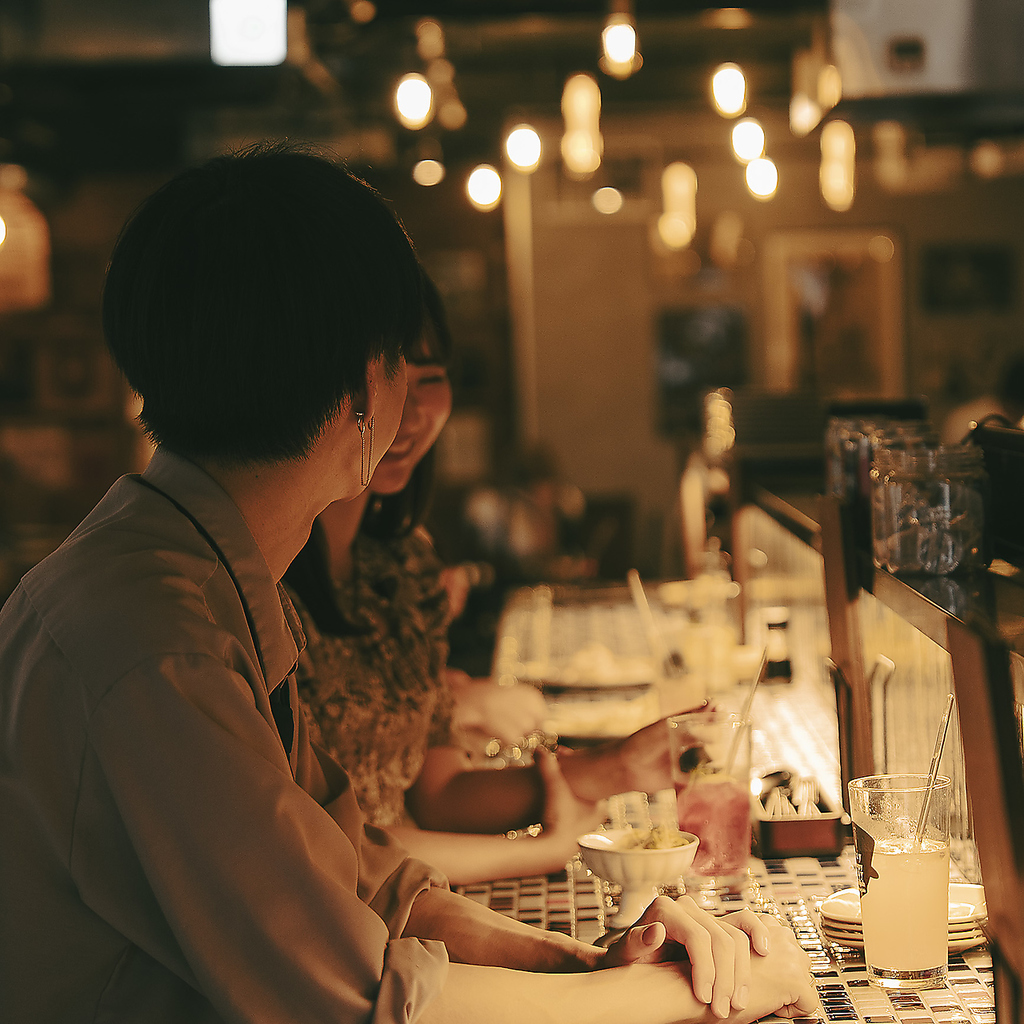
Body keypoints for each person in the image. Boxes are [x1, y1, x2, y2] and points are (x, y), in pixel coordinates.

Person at [0, 143, 818, 1024]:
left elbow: (362, 880)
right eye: (405, 362)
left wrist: (580, 967)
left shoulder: (200, 577)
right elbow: (361, 1003)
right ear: (365, 390)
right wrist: (699, 998)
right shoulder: (155, 647)